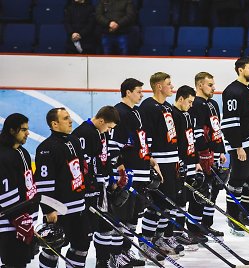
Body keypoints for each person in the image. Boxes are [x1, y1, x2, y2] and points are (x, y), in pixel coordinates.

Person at [106, 78, 158, 267]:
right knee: (122, 216)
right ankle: (115, 255)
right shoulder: (119, 113)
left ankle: (125, 252)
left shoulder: (136, 111)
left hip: (141, 171)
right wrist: (120, 171)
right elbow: (113, 147)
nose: (142, 94)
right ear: (128, 92)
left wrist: (149, 158)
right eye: (138, 91)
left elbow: (140, 141)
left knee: (133, 216)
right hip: (129, 174)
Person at [34, 108, 90, 268]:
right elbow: (43, 184)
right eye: (66, 118)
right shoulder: (46, 148)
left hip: (79, 207)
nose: (70, 121)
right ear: (54, 124)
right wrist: (48, 210)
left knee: (81, 246)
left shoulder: (74, 140)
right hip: (59, 211)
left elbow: (81, 170)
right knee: (52, 249)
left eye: (69, 117)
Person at [139, 72, 184, 256]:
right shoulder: (148, 107)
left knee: (169, 204)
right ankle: (146, 242)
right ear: (159, 86)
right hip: (159, 162)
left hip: (172, 160)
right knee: (156, 204)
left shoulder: (167, 106)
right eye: (168, 83)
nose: (172, 86)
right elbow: (145, 137)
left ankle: (160, 238)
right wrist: (149, 161)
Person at [70, 106, 120, 267]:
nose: (109, 130)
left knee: (105, 224)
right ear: (101, 120)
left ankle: (103, 260)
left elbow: (103, 158)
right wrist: (94, 182)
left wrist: (110, 177)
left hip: (100, 186)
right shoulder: (84, 133)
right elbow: (85, 164)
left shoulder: (101, 131)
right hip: (88, 190)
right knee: (85, 233)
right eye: (109, 126)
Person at [221, 57, 249, 234]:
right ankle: (233, 216)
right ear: (240, 70)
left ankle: (245, 214)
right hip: (242, 144)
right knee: (238, 180)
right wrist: (238, 146)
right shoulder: (232, 92)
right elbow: (230, 124)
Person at [187, 72, 226, 238]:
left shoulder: (213, 104)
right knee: (200, 192)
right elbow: (196, 134)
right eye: (210, 85)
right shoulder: (195, 104)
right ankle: (194, 229)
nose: (214, 87)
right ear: (200, 85)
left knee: (214, 190)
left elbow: (216, 130)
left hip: (214, 154)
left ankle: (206, 224)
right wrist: (201, 155)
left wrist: (221, 149)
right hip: (203, 156)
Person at [0, 113, 38, 268]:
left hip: (24, 219)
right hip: (10, 222)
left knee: (21, 262)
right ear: (11, 130)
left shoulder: (22, 152)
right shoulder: (3, 155)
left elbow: (28, 185)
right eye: (23, 130)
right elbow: (4, 190)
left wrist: (30, 217)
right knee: (13, 263)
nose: (28, 133)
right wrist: (19, 218)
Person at [171, 85, 205, 246]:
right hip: (179, 164)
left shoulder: (187, 115)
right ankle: (175, 232)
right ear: (180, 99)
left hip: (190, 162)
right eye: (189, 102)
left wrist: (196, 160)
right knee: (178, 199)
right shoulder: (173, 115)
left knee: (184, 199)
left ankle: (180, 231)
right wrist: (180, 161)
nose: (191, 105)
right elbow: (173, 143)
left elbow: (191, 140)